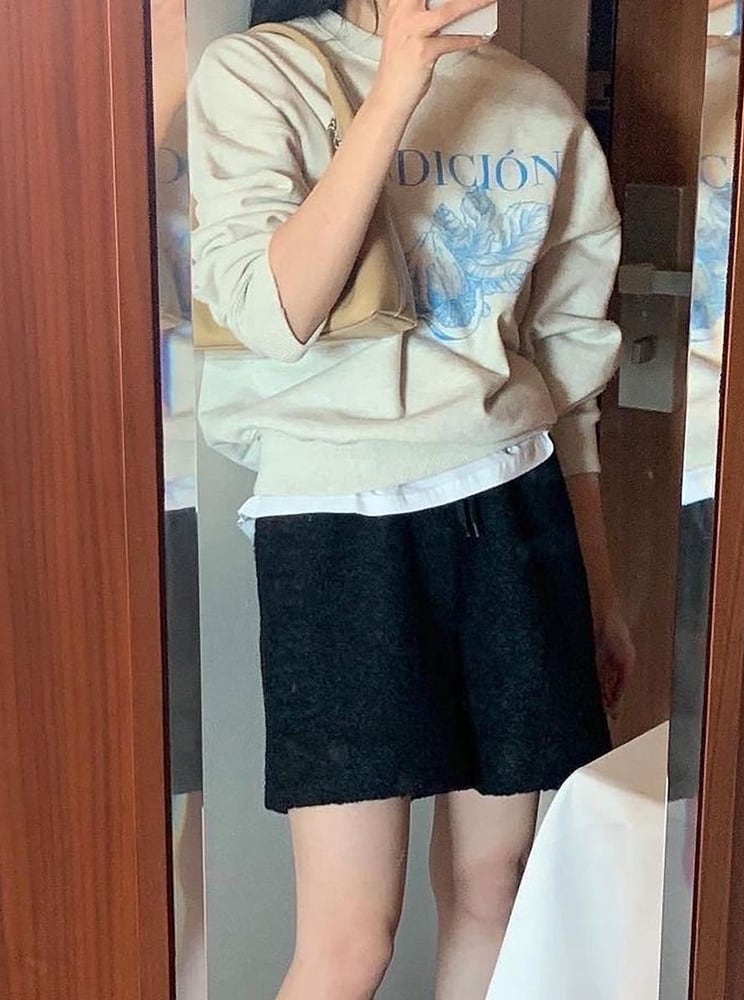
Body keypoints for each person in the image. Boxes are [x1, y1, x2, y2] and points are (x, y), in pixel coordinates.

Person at [188, 2, 636, 997]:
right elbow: (273, 312)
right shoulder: (260, 75)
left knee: (497, 886)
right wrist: (395, 88)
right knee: (350, 937)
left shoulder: (538, 109)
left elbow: (567, 378)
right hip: (335, 524)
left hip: (513, 504)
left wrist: (598, 589)